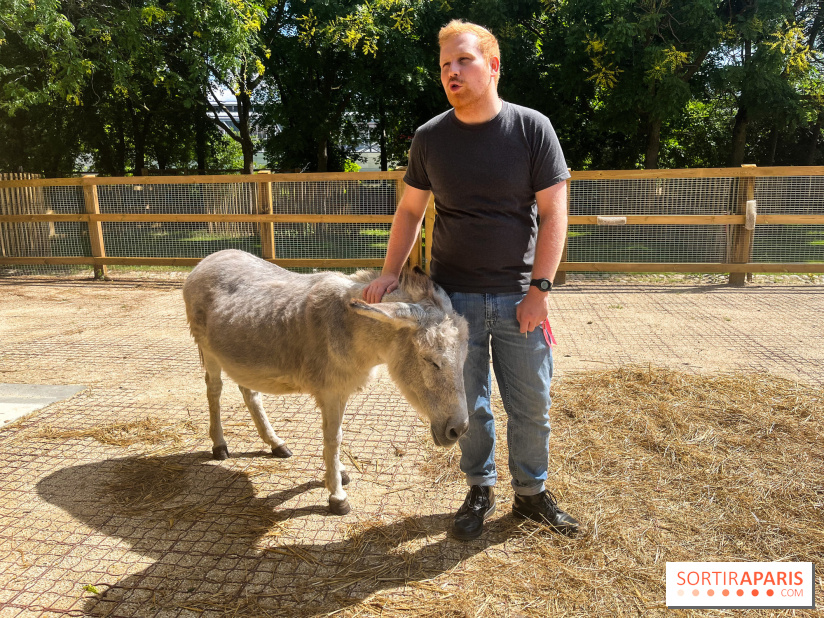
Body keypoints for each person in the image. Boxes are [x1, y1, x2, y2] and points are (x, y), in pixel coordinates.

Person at [363, 19, 579, 540]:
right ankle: (479, 488)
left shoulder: (532, 129)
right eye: (445, 65)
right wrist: (390, 272)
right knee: (468, 405)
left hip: (520, 298)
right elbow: (410, 211)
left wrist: (540, 291)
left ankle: (531, 494)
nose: (451, 72)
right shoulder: (430, 138)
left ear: (493, 65)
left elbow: (555, 213)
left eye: (463, 60)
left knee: (531, 405)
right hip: (452, 302)